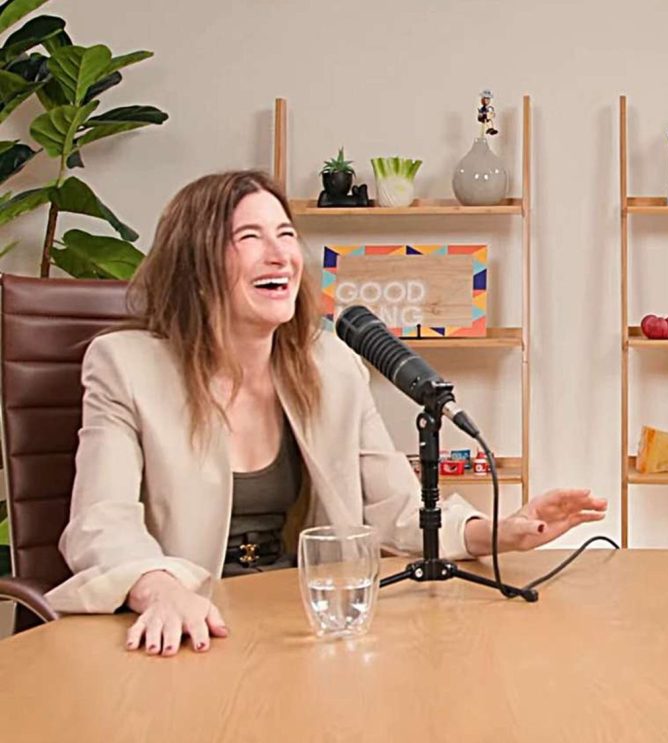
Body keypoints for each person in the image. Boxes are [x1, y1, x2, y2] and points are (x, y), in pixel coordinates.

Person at [46, 170, 607, 657]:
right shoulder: (126, 366)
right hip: (190, 628)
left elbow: (394, 506)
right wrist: (159, 588)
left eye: (286, 235)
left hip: (303, 622)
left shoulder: (331, 363)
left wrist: (501, 533)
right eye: (249, 237)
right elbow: (102, 520)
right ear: (195, 262)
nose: (280, 255)